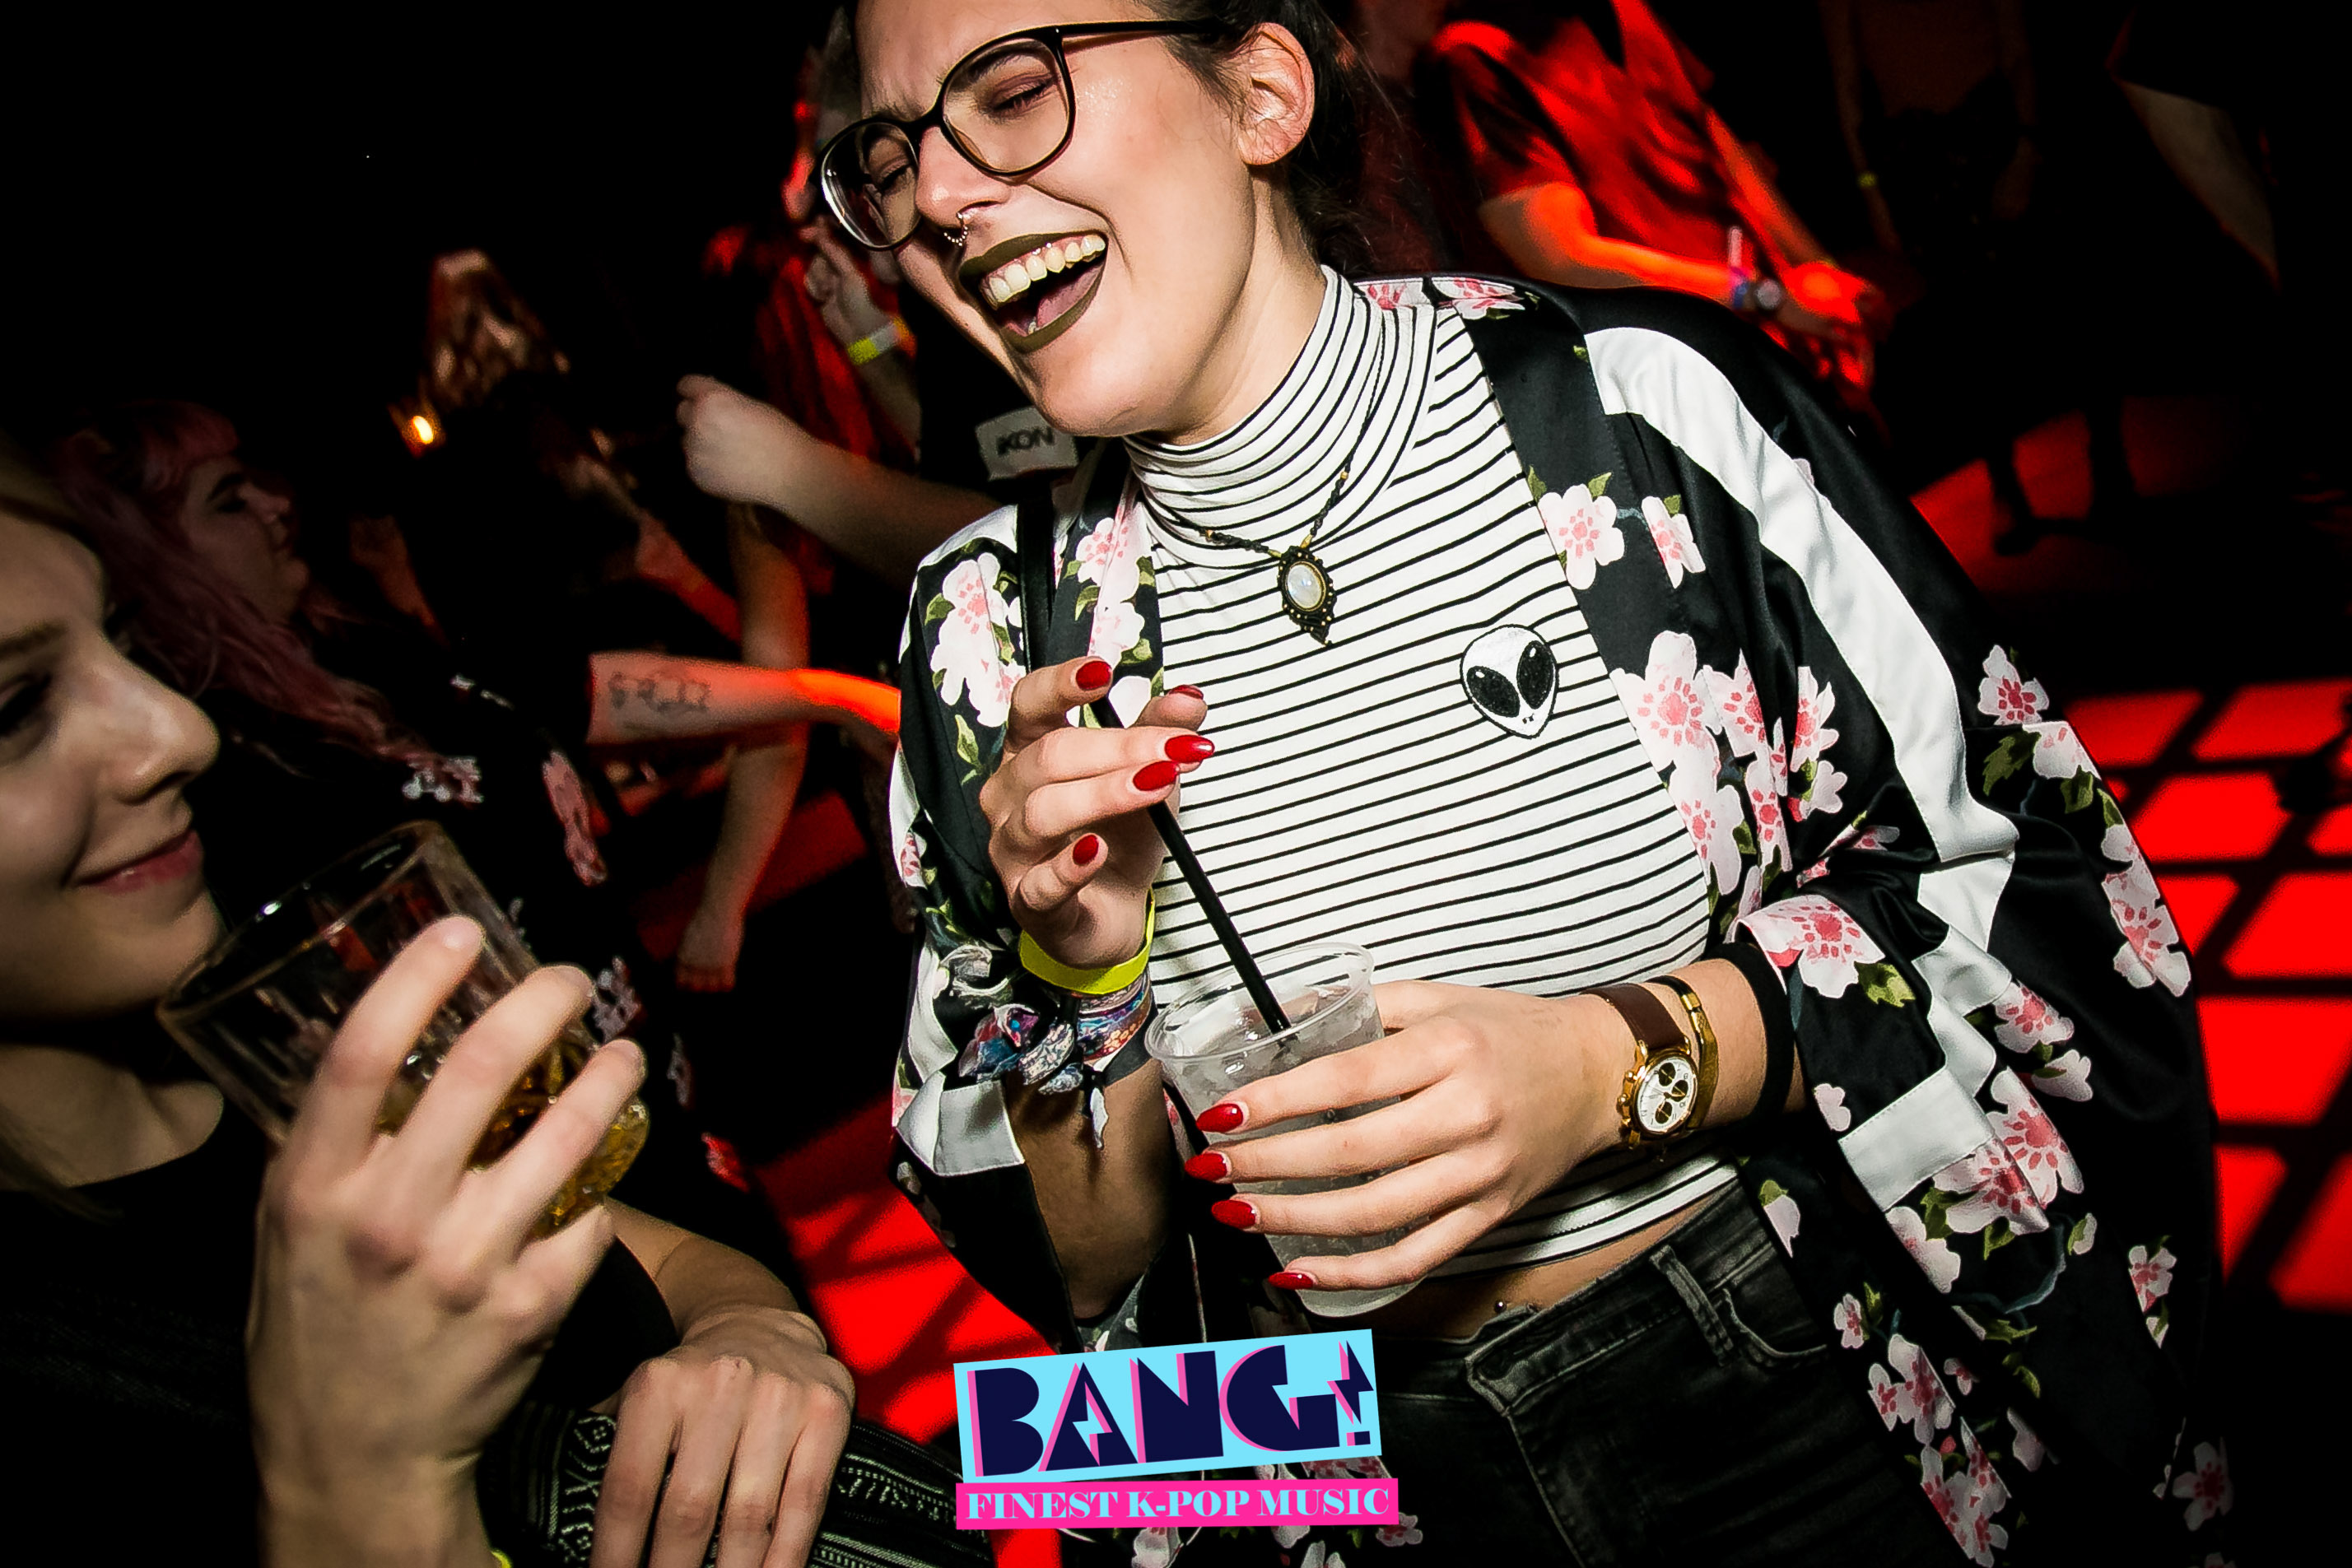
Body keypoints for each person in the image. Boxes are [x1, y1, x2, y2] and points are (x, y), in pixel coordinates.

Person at [843, 0, 2225, 1561]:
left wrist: (1606, 1067)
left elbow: (2032, 893)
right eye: (892, 156)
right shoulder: (986, 637)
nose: (938, 198)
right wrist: (1084, 976)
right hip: (1350, 1477)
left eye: (1010, 91)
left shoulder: (1644, 410)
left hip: (1797, 1384)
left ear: (1260, 95)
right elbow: (1090, 1280)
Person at [0, 440, 987, 1568]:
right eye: (15, 708)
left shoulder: (278, 1069)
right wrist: (353, 1491)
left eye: (124, 643)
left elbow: (650, 1254)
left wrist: (747, 1329)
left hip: (665, 1137)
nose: (180, 735)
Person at [51, 402, 897, 1273]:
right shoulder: (234, 781)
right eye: (228, 500)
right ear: (155, 557)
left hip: (658, 1090)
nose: (275, 506)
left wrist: (822, 694)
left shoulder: (352, 651)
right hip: (550, 1189)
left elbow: (594, 693)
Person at [1412, 0, 1885, 415]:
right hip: (1685, 389)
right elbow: (1564, 258)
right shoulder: (1474, 58)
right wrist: (1765, 297)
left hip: (1779, 356)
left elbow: (1720, 152)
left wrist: (1820, 275)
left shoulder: (1626, 9)